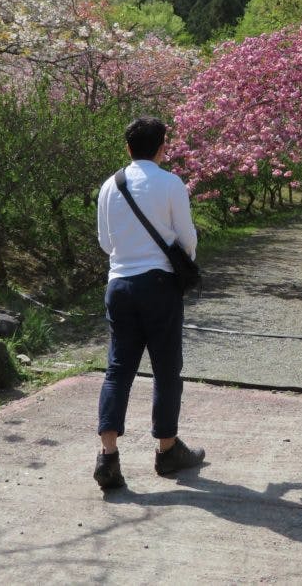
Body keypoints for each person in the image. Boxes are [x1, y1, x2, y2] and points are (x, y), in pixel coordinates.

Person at [93, 116, 204, 491]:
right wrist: (182, 260)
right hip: (158, 286)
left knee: (118, 369)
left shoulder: (110, 185)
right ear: (162, 147)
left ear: (128, 148)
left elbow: (106, 244)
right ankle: (167, 449)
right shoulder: (170, 183)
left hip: (118, 284)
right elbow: (187, 238)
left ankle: (108, 456)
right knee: (166, 369)